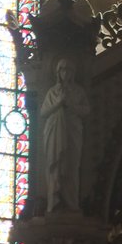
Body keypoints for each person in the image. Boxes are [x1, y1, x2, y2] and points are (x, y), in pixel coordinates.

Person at [42, 58, 90, 214]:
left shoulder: (78, 91)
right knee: (55, 164)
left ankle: (71, 202)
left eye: (69, 70)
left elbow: (86, 110)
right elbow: (44, 112)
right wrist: (59, 103)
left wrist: (70, 104)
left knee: (71, 166)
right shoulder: (52, 92)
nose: (66, 73)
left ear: (73, 73)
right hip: (54, 130)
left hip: (72, 131)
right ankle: (53, 201)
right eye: (63, 70)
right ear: (58, 73)